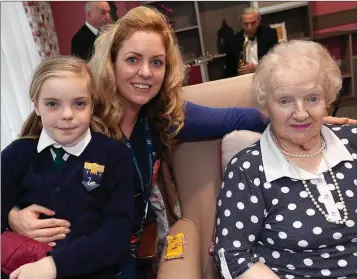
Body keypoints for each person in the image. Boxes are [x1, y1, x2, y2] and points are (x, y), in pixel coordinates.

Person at [6, 7, 356, 279]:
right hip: (58, 251)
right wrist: (11, 216)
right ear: (111, 62)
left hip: (121, 251)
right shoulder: (78, 112)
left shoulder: (165, 115)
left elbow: (236, 118)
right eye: (132, 60)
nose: (145, 72)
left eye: (156, 62)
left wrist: (305, 115)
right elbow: (22, 169)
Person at [214, 40, 357, 279]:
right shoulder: (247, 169)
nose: (301, 113)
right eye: (285, 101)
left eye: (312, 99)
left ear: (327, 100)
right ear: (265, 106)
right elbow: (233, 256)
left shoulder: (353, 142)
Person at [1, 56, 134, 279]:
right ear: (36, 105)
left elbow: (116, 234)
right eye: (52, 104)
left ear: (92, 104)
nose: (67, 115)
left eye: (79, 103)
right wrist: (11, 216)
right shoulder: (16, 155)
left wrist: (54, 266)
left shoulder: (113, 156)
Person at [224, 7, 278, 78]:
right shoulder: (233, 41)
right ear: (241, 23)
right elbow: (229, 70)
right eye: (246, 24)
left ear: (259, 21)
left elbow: (276, 61)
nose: (249, 27)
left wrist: (257, 68)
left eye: (253, 23)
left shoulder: (270, 34)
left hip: (265, 78)